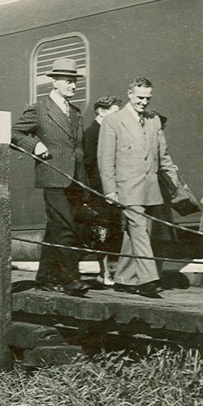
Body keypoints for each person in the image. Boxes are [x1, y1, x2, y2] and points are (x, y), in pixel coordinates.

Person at [11, 58, 90, 297]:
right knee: (65, 228)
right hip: (53, 177)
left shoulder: (75, 112)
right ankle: (71, 280)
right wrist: (34, 146)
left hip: (75, 180)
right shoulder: (39, 108)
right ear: (54, 82)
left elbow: (78, 150)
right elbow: (14, 133)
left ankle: (45, 277)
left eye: (75, 81)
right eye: (68, 81)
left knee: (58, 228)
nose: (73, 86)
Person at [99, 77, 179, 298]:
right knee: (138, 227)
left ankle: (124, 278)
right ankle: (148, 279)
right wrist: (110, 189)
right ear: (130, 94)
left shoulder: (154, 121)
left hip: (150, 186)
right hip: (127, 187)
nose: (144, 102)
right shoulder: (113, 121)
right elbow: (105, 159)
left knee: (135, 233)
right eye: (140, 98)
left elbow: (163, 156)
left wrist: (175, 184)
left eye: (148, 98)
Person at [82, 95, 122, 287]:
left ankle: (107, 272)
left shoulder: (107, 130)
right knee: (102, 232)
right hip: (99, 192)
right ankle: (104, 272)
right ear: (101, 112)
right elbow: (90, 166)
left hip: (109, 190)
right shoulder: (92, 134)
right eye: (114, 113)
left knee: (110, 231)